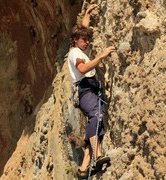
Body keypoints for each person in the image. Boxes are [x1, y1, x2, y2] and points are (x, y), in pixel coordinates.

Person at [68, 4, 116, 179]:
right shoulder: (74, 53)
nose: (86, 41)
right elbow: (82, 69)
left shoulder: (78, 48)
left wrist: (87, 13)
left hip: (89, 89)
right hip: (85, 88)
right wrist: (101, 56)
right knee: (96, 115)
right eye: (83, 39)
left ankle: (83, 168)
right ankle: (98, 157)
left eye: (88, 39)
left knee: (98, 121)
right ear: (75, 40)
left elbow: (84, 29)